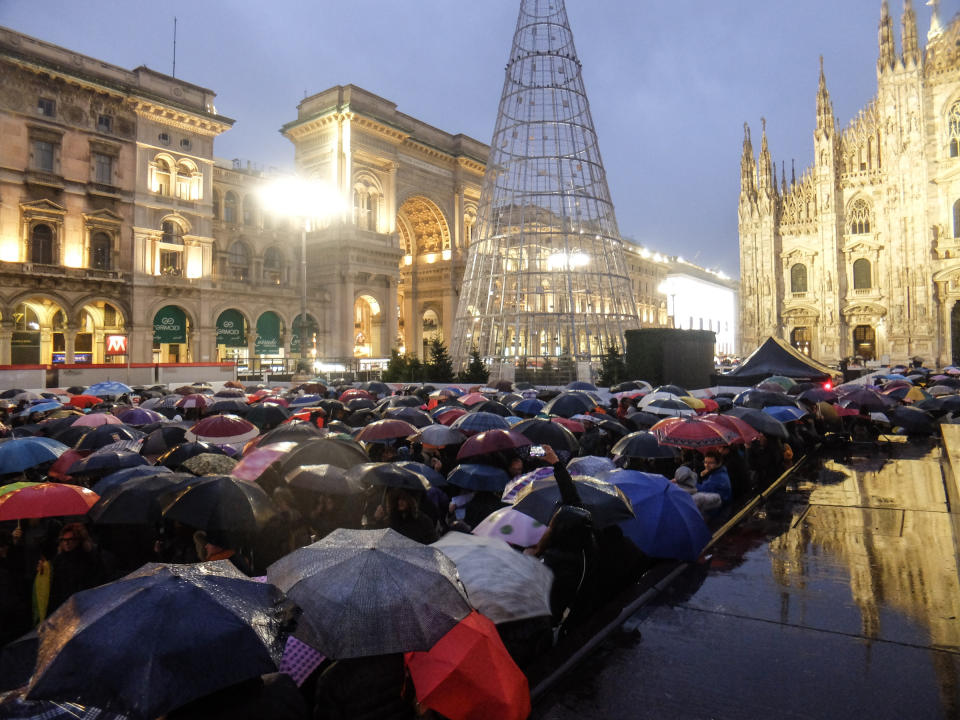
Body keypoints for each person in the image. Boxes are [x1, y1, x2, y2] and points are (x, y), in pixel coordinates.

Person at [696, 449, 732, 514]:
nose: (707, 465)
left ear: (718, 463)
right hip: (717, 507)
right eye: (705, 462)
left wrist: (696, 480)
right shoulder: (718, 472)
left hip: (717, 512)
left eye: (711, 463)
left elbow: (702, 491)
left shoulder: (719, 477)